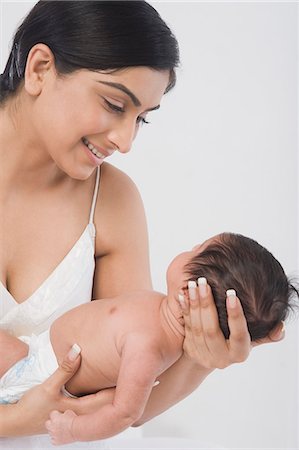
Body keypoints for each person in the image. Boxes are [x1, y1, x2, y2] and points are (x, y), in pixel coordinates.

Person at [0, 1, 285, 448]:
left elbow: (129, 402)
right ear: (39, 69)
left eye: (142, 118)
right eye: (115, 104)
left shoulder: (112, 201)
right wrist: (14, 421)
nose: (126, 141)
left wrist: (201, 355)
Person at [1, 232, 295, 445]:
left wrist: (74, 429)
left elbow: (125, 411)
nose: (190, 246)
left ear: (189, 293)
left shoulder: (149, 346)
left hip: (38, 378)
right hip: (36, 355)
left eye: (197, 248)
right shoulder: (157, 311)